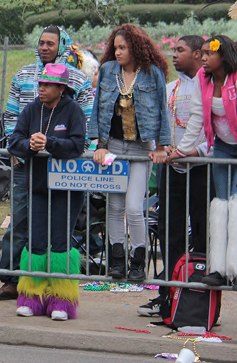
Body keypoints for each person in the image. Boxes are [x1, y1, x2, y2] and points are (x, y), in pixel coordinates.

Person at [0, 26, 94, 301]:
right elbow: (11, 115)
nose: (44, 47)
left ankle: (56, 288)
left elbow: (85, 125)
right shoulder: (24, 74)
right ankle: (14, 280)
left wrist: (58, 147)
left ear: (62, 47)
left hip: (65, 169)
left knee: (59, 228)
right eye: (41, 43)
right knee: (21, 221)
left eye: (51, 43)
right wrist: (21, 148)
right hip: (27, 165)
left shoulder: (78, 81)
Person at [90, 24, 170, 282]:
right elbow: (98, 108)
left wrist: (161, 146)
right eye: (115, 48)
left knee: (134, 207)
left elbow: (161, 111)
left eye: (123, 47)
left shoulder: (152, 73)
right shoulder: (107, 70)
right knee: (114, 206)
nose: (118, 52)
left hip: (141, 147)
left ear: (136, 48)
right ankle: (117, 261)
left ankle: (138, 261)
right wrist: (99, 145)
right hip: (113, 145)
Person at [8, 64, 87, 321]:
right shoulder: (32, 109)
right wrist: (30, 145)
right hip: (38, 185)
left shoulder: (73, 110)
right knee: (37, 241)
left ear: (61, 88)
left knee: (61, 242)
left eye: (47, 85)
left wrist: (50, 144)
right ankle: (31, 298)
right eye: (40, 84)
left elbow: (77, 144)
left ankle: (61, 302)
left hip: (68, 188)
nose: (41, 89)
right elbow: (14, 141)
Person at [138, 36, 210, 316]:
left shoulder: (208, 89)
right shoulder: (169, 89)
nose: (174, 54)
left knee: (203, 234)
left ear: (196, 54)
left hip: (202, 170)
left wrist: (196, 152)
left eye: (180, 50)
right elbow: (159, 127)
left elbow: (215, 132)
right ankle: (168, 297)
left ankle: (199, 303)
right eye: (174, 49)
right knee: (171, 233)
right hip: (172, 169)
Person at [168, 35, 237, 288]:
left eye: (209, 54)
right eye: (204, 53)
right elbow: (197, 116)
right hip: (221, 148)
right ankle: (219, 268)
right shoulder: (202, 79)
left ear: (224, 56)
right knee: (221, 206)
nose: (204, 58)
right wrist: (182, 151)